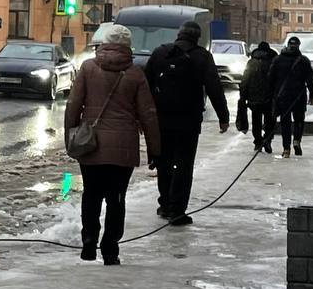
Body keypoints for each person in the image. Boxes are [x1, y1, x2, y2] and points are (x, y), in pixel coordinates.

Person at [64, 24, 161, 266]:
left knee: (92, 194)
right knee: (116, 198)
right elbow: (148, 114)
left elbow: (73, 107)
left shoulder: (87, 68)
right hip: (123, 147)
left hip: (92, 144)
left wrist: (70, 138)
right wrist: (155, 149)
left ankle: (89, 239)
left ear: (104, 43)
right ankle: (110, 248)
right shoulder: (136, 73)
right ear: (128, 47)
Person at [145, 21, 230, 226]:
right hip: (188, 122)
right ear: (197, 37)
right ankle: (177, 210)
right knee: (184, 165)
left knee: (164, 163)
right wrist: (223, 117)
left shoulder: (160, 53)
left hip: (162, 120)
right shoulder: (202, 56)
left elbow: (145, 84)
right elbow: (214, 88)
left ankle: (165, 204)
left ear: (179, 34)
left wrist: (145, 116)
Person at [269, 36, 313, 157]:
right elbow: (310, 80)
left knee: (285, 122)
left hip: (283, 97)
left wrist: (274, 95)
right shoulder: (303, 61)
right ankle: (296, 141)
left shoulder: (278, 60)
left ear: (287, 46)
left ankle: (286, 149)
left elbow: (270, 78)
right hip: (299, 97)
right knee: (299, 120)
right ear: (298, 46)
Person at [239, 40, 279, 153]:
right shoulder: (273, 62)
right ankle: (267, 139)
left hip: (254, 97)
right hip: (269, 98)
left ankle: (257, 142)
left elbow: (245, 79)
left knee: (256, 121)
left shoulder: (251, 62)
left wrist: (243, 96)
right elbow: (277, 80)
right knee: (270, 121)